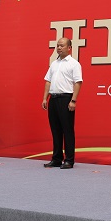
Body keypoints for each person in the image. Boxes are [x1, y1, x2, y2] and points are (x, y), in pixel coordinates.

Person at [41, 37, 82, 169]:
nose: (59, 47)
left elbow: (78, 83)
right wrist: (45, 98)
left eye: (62, 45)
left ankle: (69, 160)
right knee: (55, 130)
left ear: (69, 48)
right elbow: (48, 81)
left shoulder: (74, 64)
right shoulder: (54, 63)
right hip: (53, 99)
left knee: (67, 130)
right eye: (57, 45)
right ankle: (57, 159)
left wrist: (73, 100)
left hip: (66, 99)